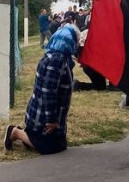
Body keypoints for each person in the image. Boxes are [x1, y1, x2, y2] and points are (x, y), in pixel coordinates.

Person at [4, 26, 80, 155]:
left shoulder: (54, 55)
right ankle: (15, 132)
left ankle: (31, 137)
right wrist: (51, 119)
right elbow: (48, 91)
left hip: (41, 113)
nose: (77, 44)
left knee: (61, 144)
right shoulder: (57, 60)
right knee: (51, 148)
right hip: (42, 117)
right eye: (76, 41)